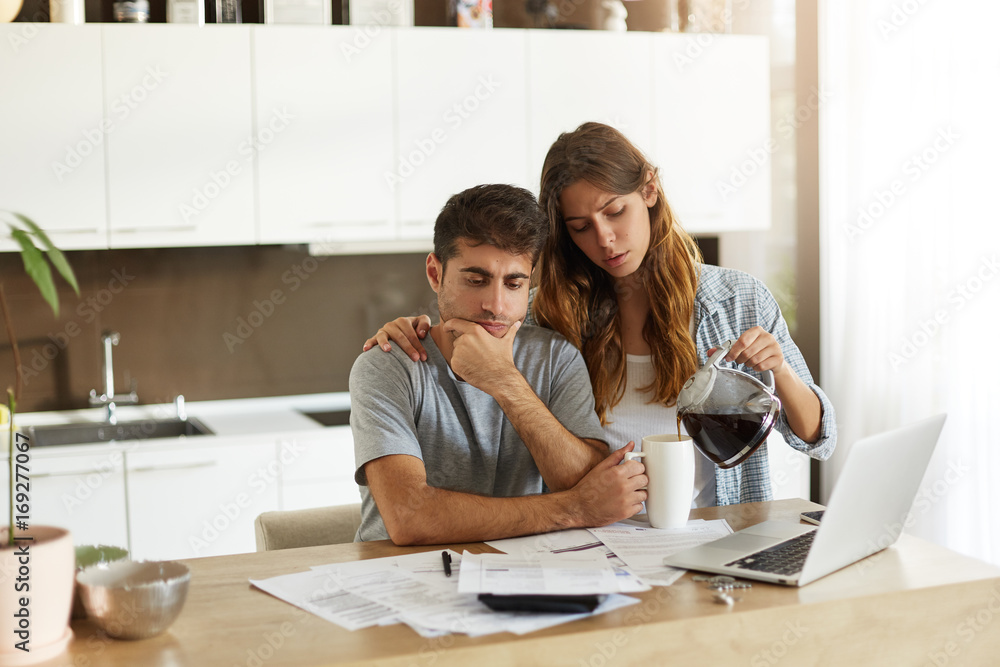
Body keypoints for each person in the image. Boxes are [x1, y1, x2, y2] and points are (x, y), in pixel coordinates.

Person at [364, 122, 837, 508]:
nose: (605, 239)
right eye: (581, 227)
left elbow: (817, 436)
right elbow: (478, 321)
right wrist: (414, 331)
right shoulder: (542, 314)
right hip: (594, 541)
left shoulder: (736, 300)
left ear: (649, 190)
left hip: (717, 531)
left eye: (615, 212)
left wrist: (780, 372)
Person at [350, 183, 647, 545]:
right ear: (435, 274)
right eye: (476, 280)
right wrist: (574, 509)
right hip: (404, 578)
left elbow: (589, 484)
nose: (496, 305)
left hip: (526, 575)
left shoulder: (556, 357)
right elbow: (411, 517)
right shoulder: (388, 365)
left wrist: (504, 382)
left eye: (513, 283)